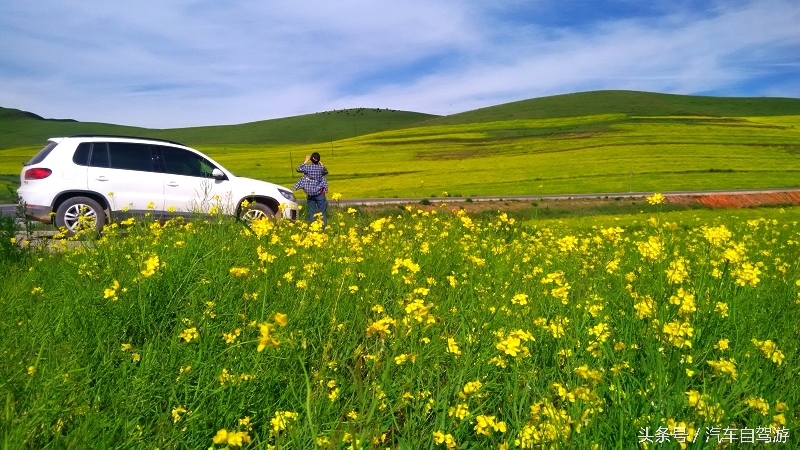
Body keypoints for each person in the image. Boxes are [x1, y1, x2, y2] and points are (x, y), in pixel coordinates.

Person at [293, 152, 328, 228]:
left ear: (311, 159)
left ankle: (313, 228)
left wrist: (305, 161)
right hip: (320, 193)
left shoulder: (307, 168)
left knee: (312, 212)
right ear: (318, 160)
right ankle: (324, 229)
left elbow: (298, 169)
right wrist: (321, 164)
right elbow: (326, 172)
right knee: (322, 212)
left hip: (310, 193)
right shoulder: (321, 168)